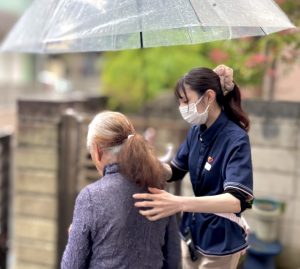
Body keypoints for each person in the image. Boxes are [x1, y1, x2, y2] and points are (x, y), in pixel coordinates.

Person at [133, 65, 254, 269]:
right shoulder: (196, 131)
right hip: (192, 231)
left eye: (186, 101)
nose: (182, 107)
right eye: (180, 102)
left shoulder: (236, 139)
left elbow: (235, 201)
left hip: (220, 242)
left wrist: (179, 203)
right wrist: (147, 160)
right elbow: (174, 171)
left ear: (208, 96)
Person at [61, 111, 180, 269]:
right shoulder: (158, 190)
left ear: (97, 151)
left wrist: (74, 237)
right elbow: (173, 260)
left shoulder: (90, 197)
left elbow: (71, 265)